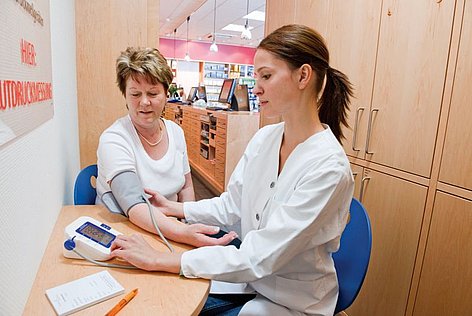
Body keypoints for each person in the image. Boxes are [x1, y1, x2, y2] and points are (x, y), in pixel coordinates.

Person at [109, 24, 355, 316]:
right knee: (168, 295)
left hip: (291, 299)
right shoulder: (266, 139)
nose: (256, 87)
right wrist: (179, 210)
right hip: (250, 278)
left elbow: (259, 257)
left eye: (266, 75)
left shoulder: (329, 168)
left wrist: (162, 260)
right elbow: (231, 205)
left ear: (303, 75)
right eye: (256, 76)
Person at [96, 47, 236, 248]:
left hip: (173, 228)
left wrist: (190, 223)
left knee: (232, 249)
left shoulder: (175, 131)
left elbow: (186, 186)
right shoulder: (114, 138)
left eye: (153, 93)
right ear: (125, 95)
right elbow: (134, 205)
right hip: (131, 231)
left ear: (166, 93)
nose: (144, 102)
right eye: (135, 94)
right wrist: (185, 233)